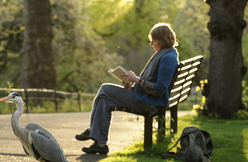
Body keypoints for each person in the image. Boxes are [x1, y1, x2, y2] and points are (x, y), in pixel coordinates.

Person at [75, 23, 179, 154]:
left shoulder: (168, 58)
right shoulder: (166, 54)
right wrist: (132, 85)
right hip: (145, 97)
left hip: (149, 103)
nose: (151, 44)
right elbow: (153, 83)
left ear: (163, 40)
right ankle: (99, 143)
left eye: (154, 40)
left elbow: (160, 89)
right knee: (104, 99)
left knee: (105, 90)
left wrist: (137, 80)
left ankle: (94, 132)